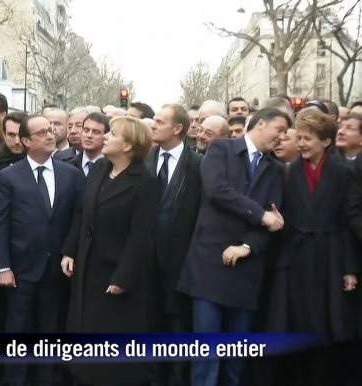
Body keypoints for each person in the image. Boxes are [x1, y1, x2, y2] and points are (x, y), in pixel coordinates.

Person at [177, 108, 292, 386]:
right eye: (279, 130)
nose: (282, 137)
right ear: (261, 123)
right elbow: (217, 190)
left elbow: (275, 219)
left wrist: (248, 247)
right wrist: (259, 215)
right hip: (209, 266)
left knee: (236, 356)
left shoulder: (276, 168)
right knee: (206, 353)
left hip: (246, 270)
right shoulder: (221, 150)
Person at [61, 116, 160, 386]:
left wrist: (123, 277)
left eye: (112, 134)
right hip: (88, 267)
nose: (105, 137)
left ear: (128, 146)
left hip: (115, 274)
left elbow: (141, 236)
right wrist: (70, 250)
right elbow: (82, 214)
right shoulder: (101, 169)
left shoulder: (145, 182)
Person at [0, 114, 84, 386]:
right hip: (20, 269)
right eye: (42, 132)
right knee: (18, 331)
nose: (50, 134)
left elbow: (77, 218)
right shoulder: (9, 176)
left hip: (57, 270)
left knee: (51, 331)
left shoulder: (71, 175)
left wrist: (70, 252)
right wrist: (3, 267)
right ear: (26, 141)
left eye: (51, 129)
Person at [269, 110, 357, 386]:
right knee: (296, 326)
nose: (303, 143)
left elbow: (347, 222)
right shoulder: (286, 173)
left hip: (330, 259)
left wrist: (350, 268)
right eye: (301, 138)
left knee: (327, 328)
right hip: (295, 258)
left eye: (308, 138)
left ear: (326, 142)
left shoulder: (344, 174)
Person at [145, 105, 203, 386]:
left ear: (178, 129)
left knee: (179, 330)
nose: (153, 125)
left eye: (159, 121)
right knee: (149, 327)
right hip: (146, 265)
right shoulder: (144, 160)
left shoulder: (198, 166)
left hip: (181, 264)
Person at [59, 112, 108, 176]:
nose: (89, 135)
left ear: (106, 136)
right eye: (86, 130)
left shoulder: (113, 167)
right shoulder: (67, 165)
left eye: (96, 132)